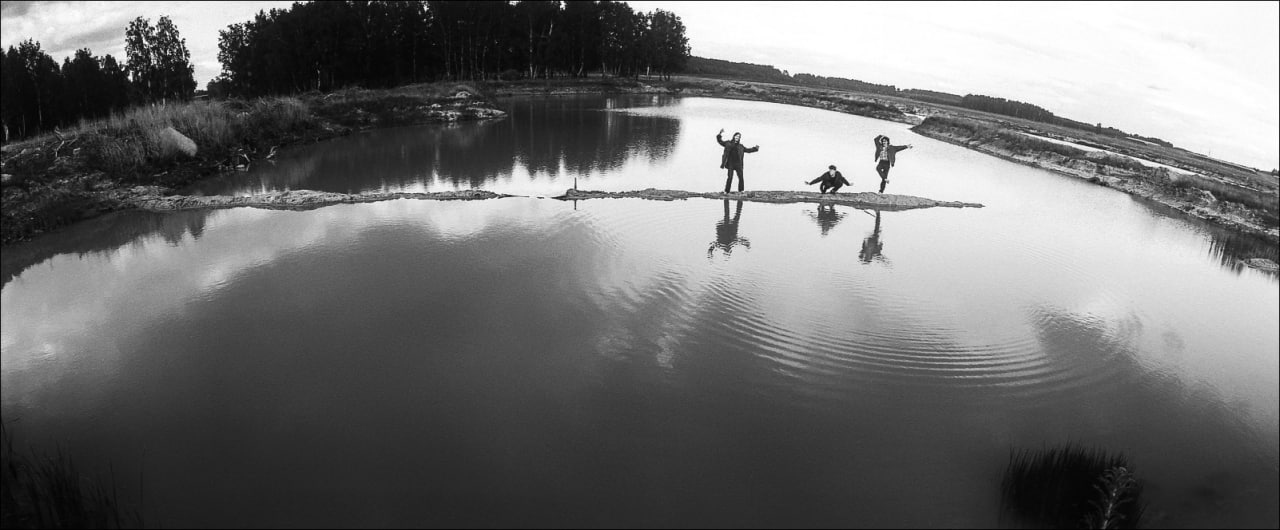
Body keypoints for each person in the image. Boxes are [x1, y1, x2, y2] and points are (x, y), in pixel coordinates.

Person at [717, 128, 760, 193]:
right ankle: (726, 191)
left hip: (738, 164)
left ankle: (741, 190)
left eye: (739, 137)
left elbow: (748, 150)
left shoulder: (741, 146)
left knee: (741, 177)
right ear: (734, 136)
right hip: (730, 163)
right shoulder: (728, 143)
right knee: (730, 177)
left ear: (739, 138)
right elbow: (720, 141)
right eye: (736, 136)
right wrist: (720, 134)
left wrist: (755, 149)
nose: (737, 138)